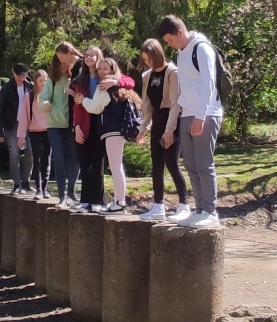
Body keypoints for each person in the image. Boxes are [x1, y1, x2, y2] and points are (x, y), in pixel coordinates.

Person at [157, 15, 222, 229]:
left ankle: (210, 211)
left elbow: (209, 83)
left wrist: (201, 116)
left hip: (206, 113)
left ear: (180, 32)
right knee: (191, 165)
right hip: (187, 113)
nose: (170, 45)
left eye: (170, 40)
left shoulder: (201, 49)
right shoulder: (181, 52)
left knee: (203, 163)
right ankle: (200, 209)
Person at [70, 46, 137, 213]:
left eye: (92, 55)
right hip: (91, 124)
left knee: (104, 164)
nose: (89, 57)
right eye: (86, 55)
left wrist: (116, 81)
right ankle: (89, 201)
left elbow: (129, 82)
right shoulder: (80, 79)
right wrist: (76, 125)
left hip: (106, 126)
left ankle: (107, 202)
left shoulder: (107, 81)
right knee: (88, 163)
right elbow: (78, 107)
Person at [136, 39, 189, 222]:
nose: (149, 62)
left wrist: (170, 130)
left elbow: (175, 103)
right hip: (157, 122)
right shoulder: (147, 76)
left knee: (172, 163)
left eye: (150, 58)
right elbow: (147, 105)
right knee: (156, 164)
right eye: (145, 59)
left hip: (172, 121)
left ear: (158, 53)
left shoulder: (173, 72)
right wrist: (143, 127)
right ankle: (158, 205)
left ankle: (184, 205)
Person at [38, 42, 83, 207]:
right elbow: (42, 100)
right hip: (54, 125)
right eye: (59, 61)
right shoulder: (53, 80)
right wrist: (46, 105)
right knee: (59, 158)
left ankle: (71, 189)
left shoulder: (76, 77)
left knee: (75, 158)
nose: (62, 63)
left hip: (72, 125)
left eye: (63, 59)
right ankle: (62, 194)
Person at [17, 69, 51, 199]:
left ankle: (45, 189)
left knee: (46, 159)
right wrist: (21, 136)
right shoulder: (29, 96)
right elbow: (24, 117)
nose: (43, 83)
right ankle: (39, 189)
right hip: (34, 131)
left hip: (49, 131)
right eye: (40, 80)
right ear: (36, 81)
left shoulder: (51, 95)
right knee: (36, 159)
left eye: (45, 81)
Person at [0, 63, 34, 194]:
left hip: (27, 125)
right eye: (19, 75)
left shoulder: (30, 86)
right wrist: (0, 131)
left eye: (23, 76)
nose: (21, 78)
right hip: (11, 125)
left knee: (30, 153)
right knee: (14, 154)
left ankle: (25, 181)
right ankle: (17, 185)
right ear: (13, 73)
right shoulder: (7, 89)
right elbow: (1, 110)